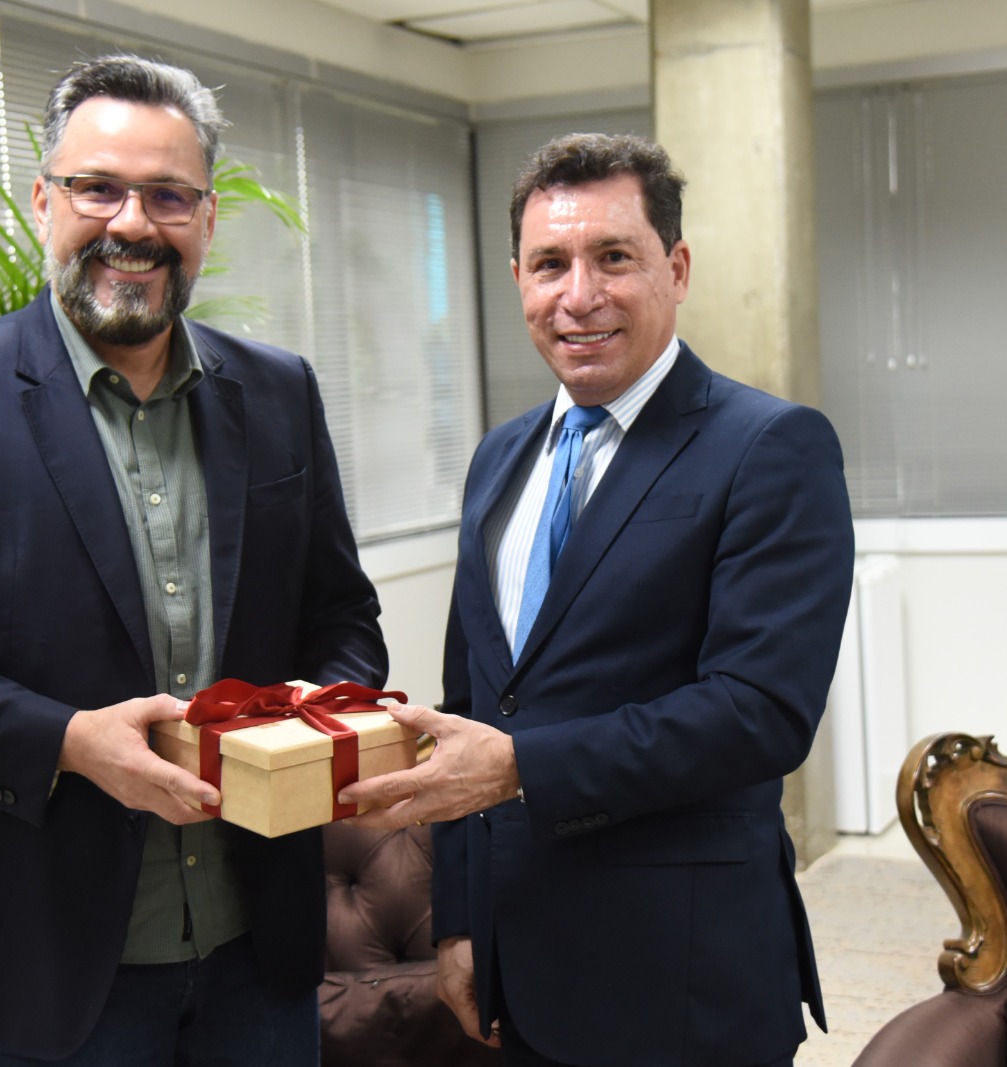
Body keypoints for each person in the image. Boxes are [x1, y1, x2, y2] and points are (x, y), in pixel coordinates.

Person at [0, 55, 386, 1066]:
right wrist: (66, 740)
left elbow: (342, 612)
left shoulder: (279, 391)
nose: (131, 224)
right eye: (98, 187)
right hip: (45, 958)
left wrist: (321, 709)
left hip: (262, 949)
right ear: (43, 199)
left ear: (204, 215)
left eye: (168, 195)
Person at [339, 133, 855, 1067]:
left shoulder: (770, 445)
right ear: (518, 279)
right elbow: (472, 709)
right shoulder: (501, 456)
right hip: (520, 965)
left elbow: (760, 712)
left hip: (682, 974)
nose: (579, 295)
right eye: (549, 265)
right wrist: (459, 922)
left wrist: (520, 768)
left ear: (677, 266)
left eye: (614, 256)